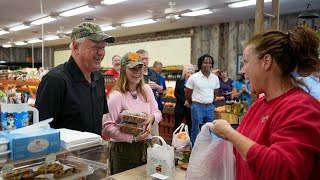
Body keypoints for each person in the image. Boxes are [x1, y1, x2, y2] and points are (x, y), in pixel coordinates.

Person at [209, 26, 320, 179]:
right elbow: (243, 152)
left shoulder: (302, 108)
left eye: (246, 62)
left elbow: (283, 171)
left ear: (266, 62)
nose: (242, 70)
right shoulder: (259, 105)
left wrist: (230, 134)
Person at [35, 22, 115, 135]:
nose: (101, 52)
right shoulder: (55, 80)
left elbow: (98, 120)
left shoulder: (98, 79)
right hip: (66, 152)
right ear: (76, 47)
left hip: (94, 150)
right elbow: (41, 129)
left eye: (103, 47)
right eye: (95, 47)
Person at [102, 52, 162, 174]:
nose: (137, 72)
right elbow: (107, 127)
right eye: (133, 69)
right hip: (123, 149)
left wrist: (152, 118)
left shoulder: (146, 89)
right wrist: (133, 138)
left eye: (140, 68)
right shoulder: (116, 96)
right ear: (124, 70)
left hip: (146, 145)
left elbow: (157, 112)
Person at [185, 54, 220, 146]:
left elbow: (215, 93)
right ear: (200, 64)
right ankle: (194, 150)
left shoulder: (215, 78)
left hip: (210, 107)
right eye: (205, 62)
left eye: (210, 63)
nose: (207, 64)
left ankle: (205, 150)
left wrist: (210, 103)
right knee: (196, 129)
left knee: (209, 129)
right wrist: (193, 104)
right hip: (197, 106)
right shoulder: (194, 77)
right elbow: (188, 94)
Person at [136, 49, 163, 141]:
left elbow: (162, 89)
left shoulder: (154, 73)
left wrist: (157, 86)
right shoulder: (135, 74)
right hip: (140, 113)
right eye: (142, 59)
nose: (144, 61)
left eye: (146, 58)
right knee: (142, 141)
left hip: (153, 111)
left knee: (155, 141)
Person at [173, 64, 195, 134]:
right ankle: (175, 141)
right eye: (188, 69)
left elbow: (196, 93)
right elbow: (176, 93)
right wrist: (185, 101)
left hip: (190, 107)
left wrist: (189, 102)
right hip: (180, 106)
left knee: (190, 125)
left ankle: (189, 142)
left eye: (192, 69)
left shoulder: (195, 81)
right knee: (177, 125)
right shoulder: (179, 80)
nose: (190, 71)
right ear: (184, 71)